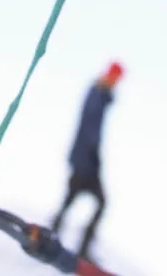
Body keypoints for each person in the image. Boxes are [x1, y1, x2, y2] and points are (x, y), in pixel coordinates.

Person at [52, 61, 123, 258]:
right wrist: (92, 157)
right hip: (85, 161)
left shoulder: (100, 94)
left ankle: (64, 238)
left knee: (75, 201)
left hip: (86, 160)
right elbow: (89, 129)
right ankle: (61, 240)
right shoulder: (96, 94)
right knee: (92, 201)